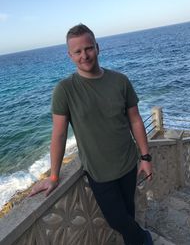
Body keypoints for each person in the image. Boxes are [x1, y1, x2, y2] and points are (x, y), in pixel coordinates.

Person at [29, 24, 153, 245]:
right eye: (77, 51)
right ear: (70, 55)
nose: (84, 55)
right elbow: (58, 135)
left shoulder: (120, 81)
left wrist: (145, 158)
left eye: (88, 48)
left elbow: (135, 119)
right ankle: (144, 239)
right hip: (98, 172)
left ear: (97, 47)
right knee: (117, 220)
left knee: (128, 214)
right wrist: (54, 176)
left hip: (127, 163)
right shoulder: (65, 90)